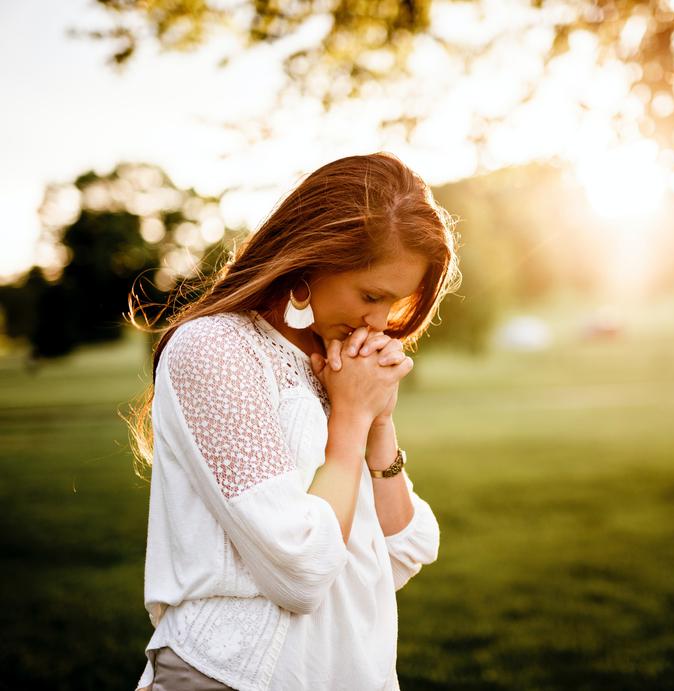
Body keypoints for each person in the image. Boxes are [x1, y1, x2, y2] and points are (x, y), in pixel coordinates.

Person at [128, 152, 461, 690]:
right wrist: (350, 420)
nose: (379, 322)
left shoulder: (336, 364)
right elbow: (302, 568)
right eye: (370, 295)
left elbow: (404, 549)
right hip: (231, 676)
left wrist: (378, 420)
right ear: (311, 260)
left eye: (394, 302)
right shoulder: (217, 350)